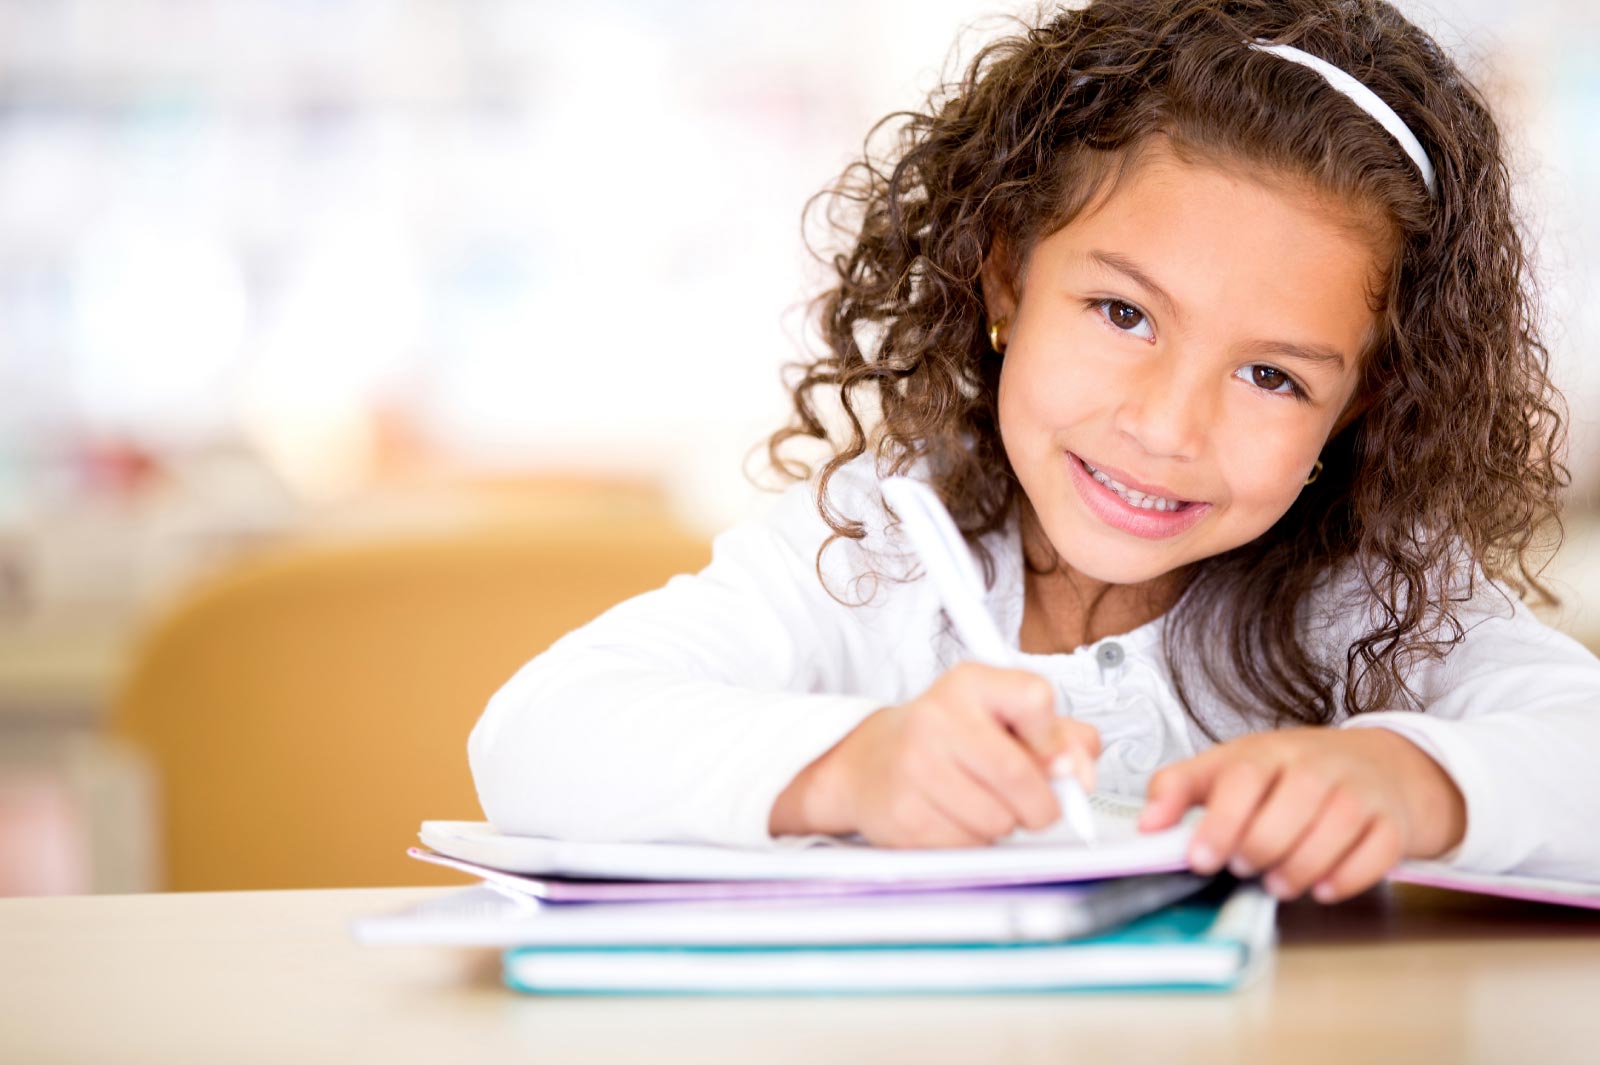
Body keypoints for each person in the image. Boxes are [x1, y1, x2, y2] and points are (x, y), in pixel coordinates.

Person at [468, 0, 1600, 903]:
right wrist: (854, 764)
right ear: (1004, 271)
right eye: (1121, 314)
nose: (1165, 426)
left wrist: (1418, 783)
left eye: (1272, 376)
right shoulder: (872, 548)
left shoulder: (1377, 600)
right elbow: (534, 739)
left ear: (1361, 406)